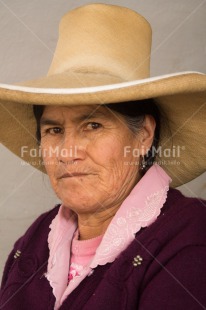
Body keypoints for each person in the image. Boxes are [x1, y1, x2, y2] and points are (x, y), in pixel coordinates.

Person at [0, 3, 206, 310]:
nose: (68, 152)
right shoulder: (35, 239)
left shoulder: (191, 237)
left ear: (144, 135)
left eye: (93, 125)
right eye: (54, 130)